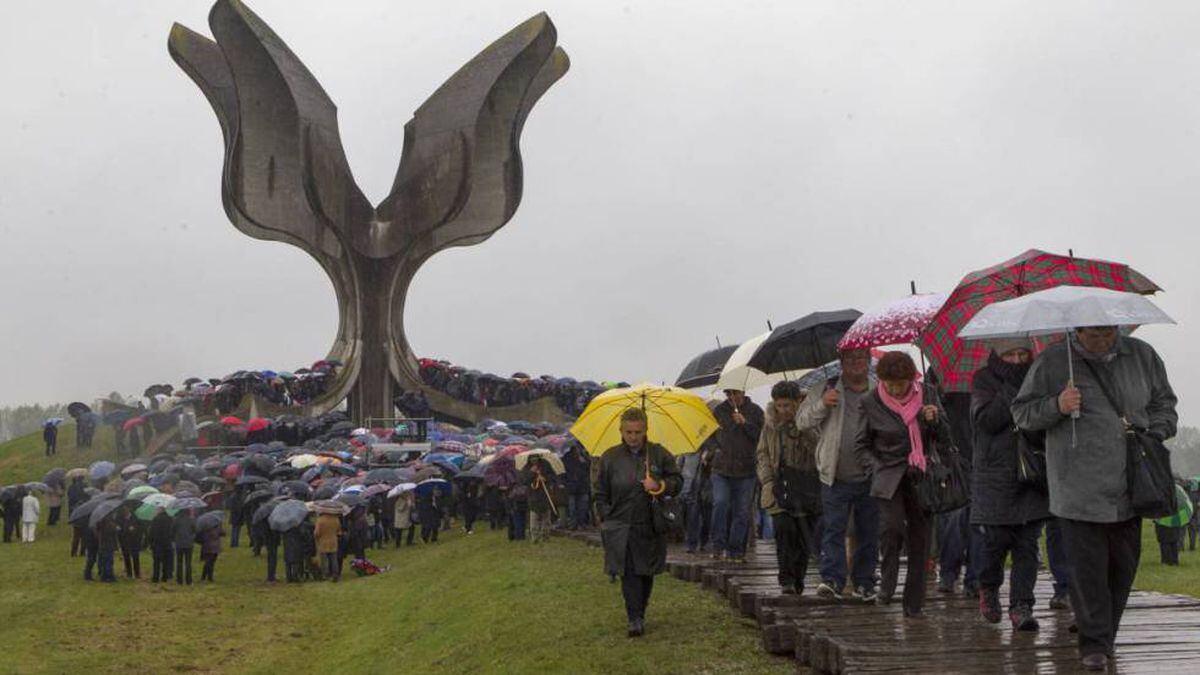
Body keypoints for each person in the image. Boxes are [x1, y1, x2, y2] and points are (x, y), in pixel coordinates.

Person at [1013, 326, 1178, 672]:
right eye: (1093, 334)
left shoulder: (1142, 356)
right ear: (1077, 329)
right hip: (1076, 487)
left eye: (1107, 332)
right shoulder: (1053, 361)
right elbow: (1023, 414)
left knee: (1122, 567)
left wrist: (1153, 431)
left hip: (1130, 483)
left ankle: (1106, 636)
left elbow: (1165, 404)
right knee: (1088, 572)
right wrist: (1057, 404)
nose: (1102, 339)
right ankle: (1094, 645)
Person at [855, 351, 952, 618]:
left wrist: (934, 421)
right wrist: (876, 468)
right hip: (888, 476)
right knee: (892, 528)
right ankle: (886, 586)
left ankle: (914, 603)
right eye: (889, 384)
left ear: (911, 379)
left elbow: (943, 438)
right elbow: (861, 446)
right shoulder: (870, 401)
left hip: (922, 475)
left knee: (921, 539)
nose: (895, 389)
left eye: (901, 384)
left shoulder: (929, 393)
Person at [970, 340, 1048, 631]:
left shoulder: (1039, 378)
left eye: (1022, 353)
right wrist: (1012, 387)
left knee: (1027, 545)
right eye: (1010, 354)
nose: (1017, 359)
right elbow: (988, 421)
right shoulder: (983, 379)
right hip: (995, 476)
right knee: (996, 541)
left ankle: (1022, 606)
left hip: (1031, 472)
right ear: (998, 354)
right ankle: (988, 588)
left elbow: (1043, 422)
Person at [797, 347, 880, 601]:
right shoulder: (825, 386)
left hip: (871, 473)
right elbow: (802, 421)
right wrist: (823, 404)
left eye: (862, 358)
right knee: (834, 529)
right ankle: (832, 579)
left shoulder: (879, 388)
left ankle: (864, 582)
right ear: (841, 362)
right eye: (851, 359)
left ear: (869, 361)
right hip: (834, 474)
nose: (857, 363)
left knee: (869, 531)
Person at [593, 407, 682, 637]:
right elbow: (599, 491)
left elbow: (677, 480)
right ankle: (634, 618)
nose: (633, 437)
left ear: (645, 430)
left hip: (651, 525)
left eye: (638, 432)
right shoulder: (609, 457)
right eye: (629, 432)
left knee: (646, 573)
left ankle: (640, 612)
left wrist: (659, 485)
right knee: (629, 573)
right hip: (621, 525)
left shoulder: (658, 454)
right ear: (621, 431)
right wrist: (605, 514)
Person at [756, 380, 822, 595]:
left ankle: (799, 578)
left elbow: (819, 449)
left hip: (806, 487)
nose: (783, 410)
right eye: (779, 406)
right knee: (784, 532)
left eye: (788, 405)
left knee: (803, 535)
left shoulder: (810, 420)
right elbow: (762, 453)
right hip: (778, 487)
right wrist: (767, 479)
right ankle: (786, 580)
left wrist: (802, 428)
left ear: (797, 403)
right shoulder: (770, 426)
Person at [709, 389, 765, 563]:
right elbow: (709, 436)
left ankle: (736, 551)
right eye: (729, 394)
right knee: (720, 504)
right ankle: (718, 546)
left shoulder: (756, 411)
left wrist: (745, 423)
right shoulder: (718, 411)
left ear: (743, 391)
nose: (732, 397)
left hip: (746, 470)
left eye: (735, 393)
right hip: (721, 469)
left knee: (742, 511)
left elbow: (761, 437)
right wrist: (712, 450)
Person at [563, 443, 593, 530]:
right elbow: (564, 471)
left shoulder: (584, 456)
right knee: (572, 508)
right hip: (571, 486)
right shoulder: (567, 457)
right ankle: (573, 524)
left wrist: (584, 461)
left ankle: (582, 523)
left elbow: (589, 468)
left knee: (583, 507)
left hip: (583, 486)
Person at [526, 459, 556, 544]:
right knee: (534, 517)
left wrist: (545, 478)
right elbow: (524, 480)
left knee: (546, 517)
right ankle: (534, 537)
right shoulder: (526, 467)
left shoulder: (546, 464)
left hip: (545, 495)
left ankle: (545, 535)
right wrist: (531, 472)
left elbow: (553, 477)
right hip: (533, 496)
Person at [115, 505, 143, 578]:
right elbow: (118, 529)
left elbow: (140, 528)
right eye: (124, 510)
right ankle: (129, 573)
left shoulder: (135, 518)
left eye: (127, 509)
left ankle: (137, 573)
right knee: (126, 557)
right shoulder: (119, 518)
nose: (125, 511)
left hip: (134, 541)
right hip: (124, 541)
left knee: (135, 557)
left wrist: (134, 529)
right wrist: (120, 530)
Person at [147, 507, 174, 583]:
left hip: (157, 543)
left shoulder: (155, 519)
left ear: (160, 510)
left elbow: (151, 532)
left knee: (156, 561)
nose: (156, 510)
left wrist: (150, 543)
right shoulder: (170, 519)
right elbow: (172, 531)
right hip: (167, 543)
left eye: (157, 509)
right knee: (166, 561)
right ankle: (165, 577)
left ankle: (155, 577)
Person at [315, 512, 341, 582]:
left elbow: (317, 533)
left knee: (324, 560)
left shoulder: (320, 520)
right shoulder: (336, 519)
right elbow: (338, 531)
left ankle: (325, 575)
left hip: (323, 542)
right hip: (333, 541)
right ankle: (335, 574)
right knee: (334, 559)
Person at [173, 508, 196, 585]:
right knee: (188, 563)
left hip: (179, 543)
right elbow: (194, 530)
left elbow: (173, 530)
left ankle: (179, 580)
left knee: (179, 563)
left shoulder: (176, 520)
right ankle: (189, 580)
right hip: (189, 543)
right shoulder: (191, 520)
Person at [67, 477, 88, 555]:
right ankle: (82, 551)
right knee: (84, 535)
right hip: (84, 513)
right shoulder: (85, 487)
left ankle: (73, 551)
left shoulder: (71, 488)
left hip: (75, 513)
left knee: (76, 535)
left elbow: (70, 499)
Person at [96, 516, 119, 582]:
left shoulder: (99, 522)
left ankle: (105, 575)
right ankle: (107, 576)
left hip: (103, 544)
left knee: (104, 561)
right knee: (108, 561)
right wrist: (115, 526)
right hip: (108, 544)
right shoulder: (108, 523)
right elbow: (112, 530)